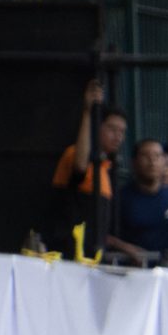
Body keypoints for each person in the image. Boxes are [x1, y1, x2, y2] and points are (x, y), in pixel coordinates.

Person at [52, 81, 124, 252]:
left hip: (92, 257)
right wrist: (87, 112)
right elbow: (80, 167)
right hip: (70, 254)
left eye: (122, 132)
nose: (118, 137)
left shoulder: (107, 167)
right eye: (112, 129)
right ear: (96, 127)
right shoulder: (74, 154)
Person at [109, 139, 168, 265]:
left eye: (157, 156)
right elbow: (105, 236)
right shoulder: (120, 198)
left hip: (166, 275)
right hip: (130, 272)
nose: (152, 161)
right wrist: (126, 248)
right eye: (145, 155)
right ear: (134, 162)